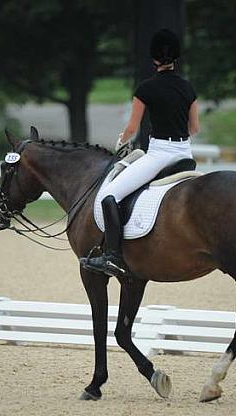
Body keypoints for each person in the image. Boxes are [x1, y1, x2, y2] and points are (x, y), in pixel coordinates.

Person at [81, 28, 200, 277]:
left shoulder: (146, 88)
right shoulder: (188, 88)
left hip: (159, 154)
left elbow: (132, 128)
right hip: (185, 154)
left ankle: (112, 257)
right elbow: (194, 128)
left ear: (154, 59)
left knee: (110, 195)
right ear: (175, 58)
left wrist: (120, 142)